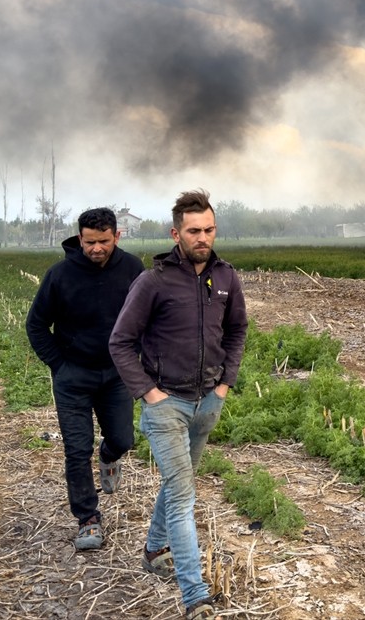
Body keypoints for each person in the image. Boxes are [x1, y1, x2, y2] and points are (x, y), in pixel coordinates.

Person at [110, 190, 247, 620]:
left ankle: (153, 551)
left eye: (208, 229)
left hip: (207, 401)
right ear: (176, 233)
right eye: (193, 231)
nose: (202, 237)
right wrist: (149, 394)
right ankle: (195, 596)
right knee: (184, 496)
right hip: (165, 405)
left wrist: (224, 386)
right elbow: (120, 342)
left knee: (175, 485)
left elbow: (237, 332)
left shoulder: (227, 277)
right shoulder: (154, 281)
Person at [25, 207, 146, 551]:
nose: (96, 248)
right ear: (80, 238)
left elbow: (148, 317)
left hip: (117, 374)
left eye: (103, 241)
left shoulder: (133, 269)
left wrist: (137, 358)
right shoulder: (60, 275)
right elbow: (36, 325)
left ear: (117, 236)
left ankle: (109, 456)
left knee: (123, 438)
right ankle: (88, 519)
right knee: (77, 449)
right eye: (89, 242)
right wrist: (59, 364)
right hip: (73, 376)